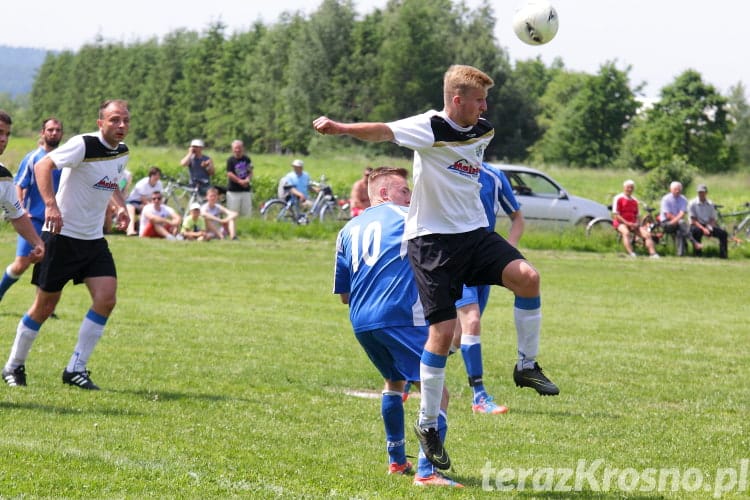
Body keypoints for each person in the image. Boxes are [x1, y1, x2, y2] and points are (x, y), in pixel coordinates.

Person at [314, 64, 558, 471]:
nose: (485, 107)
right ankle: (427, 424)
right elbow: (382, 130)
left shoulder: (484, 128)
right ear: (456, 100)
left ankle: (526, 365)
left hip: (473, 233)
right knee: (443, 334)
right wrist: (340, 128)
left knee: (527, 278)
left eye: (485, 100)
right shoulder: (429, 126)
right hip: (432, 241)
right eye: (478, 100)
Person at [334, 167, 461, 487]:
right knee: (437, 393)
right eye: (405, 191)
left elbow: (344, 296)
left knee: (393, 382)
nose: (411, 196)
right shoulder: (410, 219)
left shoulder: (347, 229)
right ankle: (427, 471)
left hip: (362, 321)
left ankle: (395, 460)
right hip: (400, 316)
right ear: (385, 194)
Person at [1, 100, 131, 390]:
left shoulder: (122, 153)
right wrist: (50, 205)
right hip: (61, 236)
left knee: (106, 298)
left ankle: (75, 368)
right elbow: (43, 165)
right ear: (101, 123)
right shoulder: (83, 144)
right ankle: (13, 365)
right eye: (114, 120)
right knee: (45, 306)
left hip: (93, 240)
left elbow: (111, 185)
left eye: (125, 120)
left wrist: (120, 207)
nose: (121, 126)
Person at [452, 163, 527, 415]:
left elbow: (517, 218)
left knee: (455, 336)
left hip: (483, 261)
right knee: (471, 322)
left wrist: (506, 253)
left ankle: (409, 374)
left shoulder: (493, 175)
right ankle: (479, 397)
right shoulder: (446, 167)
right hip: (455, 259)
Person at [0, 117, 63, 303]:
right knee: (21, 264)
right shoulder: (33, 158)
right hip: (34, 218)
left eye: (7, 134)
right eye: (50, 129)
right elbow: (20, 185)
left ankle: (41, 307)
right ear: (42, 133)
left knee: (50, 265)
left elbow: (16, 213)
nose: (4, 139)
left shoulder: (3, 176)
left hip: (53, 221)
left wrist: (38, 243)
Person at [612, 179, 659, 258]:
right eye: (628, 187)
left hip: (633, 223)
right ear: (624, 188)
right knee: (626, 233)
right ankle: (631, 253)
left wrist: (637, 223)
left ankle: (653, 253)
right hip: (620, 222)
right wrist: (627, 223)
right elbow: (616, 214)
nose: (629, 189)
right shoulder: (618, 198)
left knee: (647, 235)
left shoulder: (634, 200)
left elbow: (637, 215)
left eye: (631, 188)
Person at [660, 181, 701, 257]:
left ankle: (680, 254)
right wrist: (677, 221)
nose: (677, 191)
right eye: (675, 189)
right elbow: (668, 215)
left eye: (679, 189)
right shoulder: (665, 199)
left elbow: (682, 213)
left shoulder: (683, 199)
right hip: (666, 223)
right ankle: (694, 242)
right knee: (681, 223)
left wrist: (677, 221)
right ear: (671, 189)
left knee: (680, 231)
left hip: (678, 223)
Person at [688, 184, 728, 259]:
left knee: (723, 233)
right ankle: (698, 255)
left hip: (708, 225)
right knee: (697, 231)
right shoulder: (692, 203)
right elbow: (693, 220)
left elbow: (713, 218)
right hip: (696, 224)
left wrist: (709, 227)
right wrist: (703, 229)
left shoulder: (710, 203)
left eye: (702, 192)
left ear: (706, 193)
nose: (701, 194)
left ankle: (723, 256)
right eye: (699, 192)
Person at [124, 166, 163, 236]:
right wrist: (151, 206)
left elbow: (158, 197)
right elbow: (143, 199)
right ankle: (130, 230)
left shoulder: (159, 184)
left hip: (147, 203)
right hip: (133, 202)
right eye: (155, 175)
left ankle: (146, 231)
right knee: (132, 209)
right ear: (151, 175)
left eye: (158, 175)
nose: (157, 177)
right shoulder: (143, 183)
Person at [226, 139, 253, 216]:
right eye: (235, 148)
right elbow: (229, 173)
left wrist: (247, 180)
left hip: (245, 191)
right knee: (233, 214)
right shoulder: (230, 160)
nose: (237, 150)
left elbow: (250, 171)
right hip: (233, 191)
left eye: (239, 148)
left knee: (247, 214)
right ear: (232, 149)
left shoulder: (247, 159)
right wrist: (240, 181)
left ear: (243, 148)